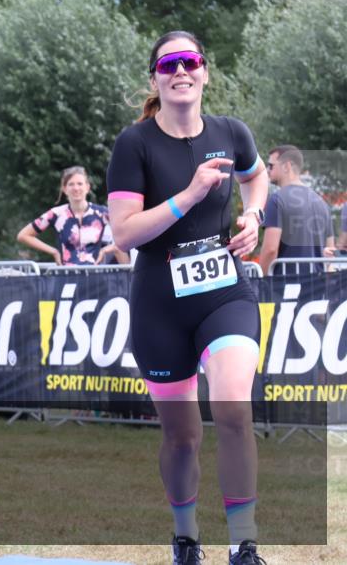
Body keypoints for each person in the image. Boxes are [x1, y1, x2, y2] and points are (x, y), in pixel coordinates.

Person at [107, 31, 269, 565]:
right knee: (182, 437)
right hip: (160, 307)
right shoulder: (136, 144)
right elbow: (125, 234)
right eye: (169, 63)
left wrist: (253, 215)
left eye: (190, 61)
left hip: (225, 294)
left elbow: (257, 176)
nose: (181, 70)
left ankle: (244, 545)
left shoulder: (231, 132)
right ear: (155, 77)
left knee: (232, 410)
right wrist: (190, 195)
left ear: (204, 72)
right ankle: (185, 539)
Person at [17, 166, 129, 265]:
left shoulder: (101, 213)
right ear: (64, 189)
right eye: (71, 184)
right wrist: (53, 251)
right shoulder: (56, 214)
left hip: (95, 277)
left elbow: (127, 232)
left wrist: (108, 249)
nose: (76, 188)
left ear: (87, 187)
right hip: (66, 276)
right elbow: (23, 235)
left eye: (80, 184)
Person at [258, 145, 334, 275]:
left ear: (287, 166)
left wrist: (262, 280)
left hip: (285, 287)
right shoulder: (322, 203)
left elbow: (270, 250)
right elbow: (330, 251)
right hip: (317, 287)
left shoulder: (277, 200)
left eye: (271, 166)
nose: (267, 170)